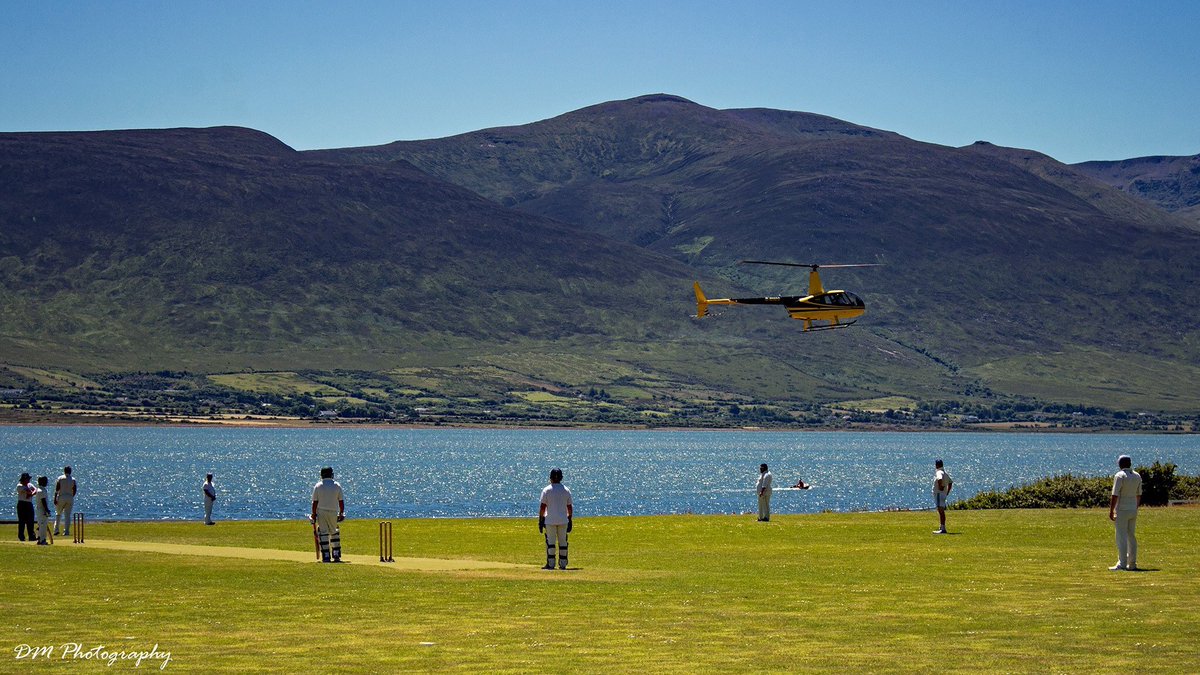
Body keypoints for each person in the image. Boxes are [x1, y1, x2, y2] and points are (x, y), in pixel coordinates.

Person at [1108, 455, 1142, 571]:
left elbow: (1115, 494)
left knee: (1121, 537)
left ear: (1120, 464)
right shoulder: (1137, 475)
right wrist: (1135, 507)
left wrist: (1112, 510)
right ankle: (1132, 563)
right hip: (1133, 509)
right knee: (1131, 536)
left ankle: (1122, 563)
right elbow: (1139, 494)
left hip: (1122, 509)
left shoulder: (1119, 476)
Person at [538, 468, 573, 570]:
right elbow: (570, 507)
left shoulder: (546, 490)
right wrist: (570, 518)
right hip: (563, 520)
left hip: (550, 520)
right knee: (563, 542)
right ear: (561, 478)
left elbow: (542, 507)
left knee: (551, 542)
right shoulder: (566, 490)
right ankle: (563, 564)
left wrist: (541, 519)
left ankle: (551, 564)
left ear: (551, 478)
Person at [311, 467, 345, 563]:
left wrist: (313, 514)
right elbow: (341, 502)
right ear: (331, 474)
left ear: (322, 475)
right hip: (333, 511)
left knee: (323, 533)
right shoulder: (337, 486)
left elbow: (314, 502)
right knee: (334, 532)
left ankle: (326, 555)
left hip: (321, 512)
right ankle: (336, 554)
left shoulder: (318, 486)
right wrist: (341, 513)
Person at [54, 466, 77, 537]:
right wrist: (71, 496)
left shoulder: (60, 478)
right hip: (69, 497)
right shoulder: (73, 479)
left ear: (64, 471)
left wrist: (55, 498)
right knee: (67, 515)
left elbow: (57, 489)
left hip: (61, 496)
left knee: (58, 514)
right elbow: (75, 489)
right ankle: (66, 531)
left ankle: (56, 530)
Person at [933, 459, 953, 534]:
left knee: (940, 510)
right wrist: (947, 491)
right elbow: (950, 482)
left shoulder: (939, 472)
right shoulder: (945, 473)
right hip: (943, 494)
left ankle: (943, 528)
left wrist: (940, 486)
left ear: (937, 465)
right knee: (941, 510)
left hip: (939, 494)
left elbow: (939, 478)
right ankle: (942, 527)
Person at [15, 472, 36, 542]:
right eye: (27, 479)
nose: (29, 480)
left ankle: (31, 536)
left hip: (29, 503)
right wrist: (30, 494)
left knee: (30, 521)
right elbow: (29, 491)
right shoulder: (19, 486)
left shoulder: (29, 484)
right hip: (22, 504)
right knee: (22, 521)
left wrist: (31, 494)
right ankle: (21, 536)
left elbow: (35, 490)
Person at [35, 476, 52, 545]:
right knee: (43, 525)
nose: (47, 482)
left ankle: (40, 539)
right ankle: (42, 540)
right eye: (45, 481)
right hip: (42, 510)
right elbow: (43, 501)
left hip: (40, 510)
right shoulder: (41, 491)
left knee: (41, 525)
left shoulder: (41, 489)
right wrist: (46, 510)